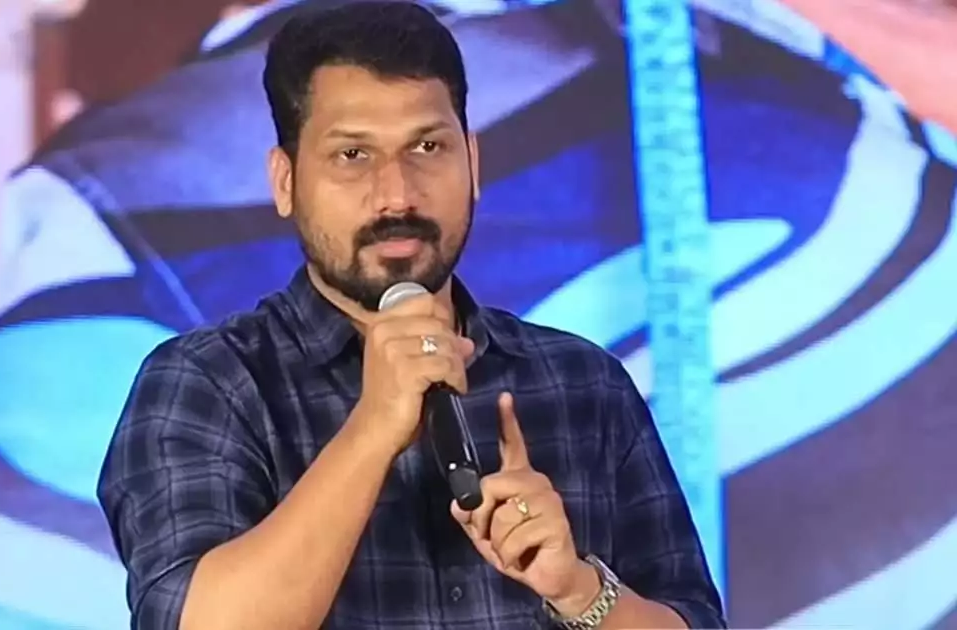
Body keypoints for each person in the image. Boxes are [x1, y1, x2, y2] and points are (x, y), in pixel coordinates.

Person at [96, 3, 725, 629]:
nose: (397, 195)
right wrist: (374, 427)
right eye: (352, 155)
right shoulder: (207, 383)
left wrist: (580, 590)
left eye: (427, 146)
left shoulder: (584, 383)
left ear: (473, 163)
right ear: (285, 181)